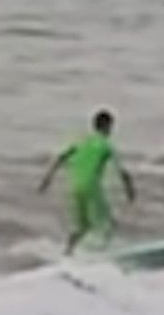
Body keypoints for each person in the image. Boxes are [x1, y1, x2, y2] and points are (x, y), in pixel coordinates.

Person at [39, 109, 136, 254]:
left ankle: (67, 253)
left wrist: (46, 180)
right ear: (107, 126)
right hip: (91, 188)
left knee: (81, 228)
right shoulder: (106, 145)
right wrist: (130, 191)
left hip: (74, 187)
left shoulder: (80, 142)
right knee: (109, 225)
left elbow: (60, 158)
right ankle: (107, 254)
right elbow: (123, 172)